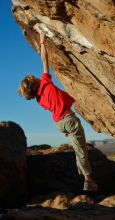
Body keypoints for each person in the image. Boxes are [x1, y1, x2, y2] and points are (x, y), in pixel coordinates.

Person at [18, 32, 98, 191]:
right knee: (81, 150)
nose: (36, 76)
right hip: (68, 120)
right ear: (35, 82)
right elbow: (44, 59)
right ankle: (88, 180)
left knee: (77, 148)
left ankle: (85, 175)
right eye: (34, 77)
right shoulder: (45, 83)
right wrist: (42, 42)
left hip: (60, 124)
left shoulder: (40, 100)